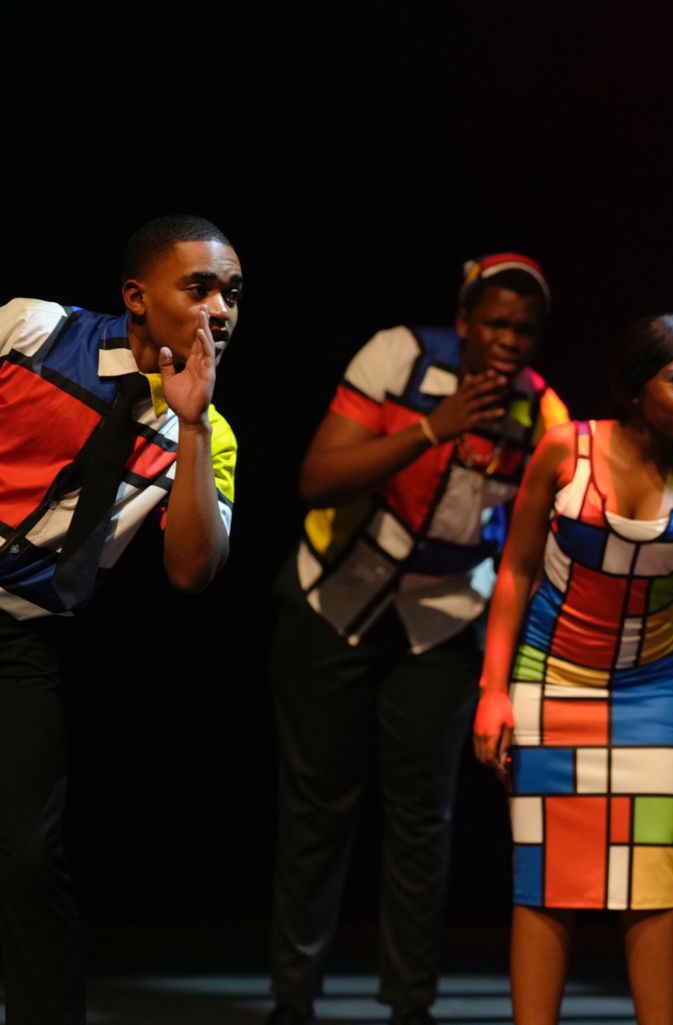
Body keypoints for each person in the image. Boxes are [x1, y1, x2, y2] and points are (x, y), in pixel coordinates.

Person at [265, 253, 567, 1025]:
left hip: (444, 619)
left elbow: (533, 550)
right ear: (464, 321)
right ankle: (293, 999)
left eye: (525, 329)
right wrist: (434, 427)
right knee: (318, 807)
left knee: (423, 816)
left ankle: (410, 1004)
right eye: (495, 323)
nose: (510, 340)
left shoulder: (543, 414)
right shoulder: (398, 356)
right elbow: (317, 479)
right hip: (335, 598)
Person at [473, 313, 673, 1025]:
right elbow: (516, 571)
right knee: (546, 874)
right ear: (634, 388)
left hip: (653, 689)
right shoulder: (567, 450)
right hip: (551, 680)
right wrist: (493, 691)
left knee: (649, 874)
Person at [0, 214, 240, 1025]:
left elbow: (191, 570)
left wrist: (193, 422)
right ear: (138, 297)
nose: (220, 310)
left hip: (19, 636)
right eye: (199, 288)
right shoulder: (33, 329)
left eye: (232, 294)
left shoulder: (207, 435)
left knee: (28, 854)